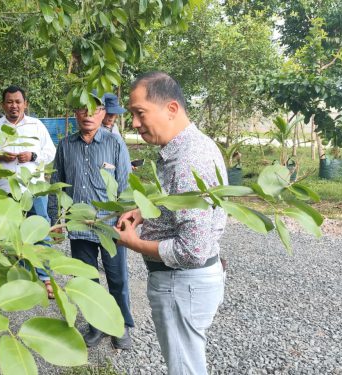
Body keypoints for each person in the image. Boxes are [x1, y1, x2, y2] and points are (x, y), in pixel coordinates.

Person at [114, 72, 227, 374]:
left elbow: (192, 251)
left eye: (140, 113)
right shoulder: (186, 148)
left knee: (184, 368)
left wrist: (133, 242)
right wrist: (141, 212)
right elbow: (175, 203)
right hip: (184, 284)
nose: (135, 123)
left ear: (171, 109)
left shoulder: (189, 159)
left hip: (181, 282)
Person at [49, 91, 134, 350]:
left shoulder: (115, 143)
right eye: (83, 109)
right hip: (79, 226)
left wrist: (125, 222)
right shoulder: (65, 146)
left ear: (102, 114)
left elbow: (125, 185)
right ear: (76, 113)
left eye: (94, 110)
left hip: (109, 226)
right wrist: (56, 220)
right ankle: (96, 326)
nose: (88, 115)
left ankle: (120, 326)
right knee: (87, 280)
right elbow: (57, 184)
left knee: (117, 278)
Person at [0, 85, 57, 296]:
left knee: (40, 230)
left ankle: (44, 277)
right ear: (2, 104)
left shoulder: (36, 125)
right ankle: (20, 278)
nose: (14, 106)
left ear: (25, 104)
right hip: (7, 190)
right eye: (9, 102)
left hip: (33, 189)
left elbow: (51, 152)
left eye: (18, 101)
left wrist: (33, 156)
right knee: (11, 233)